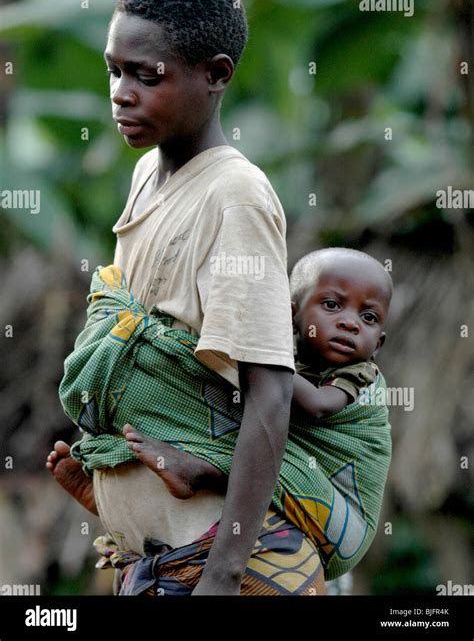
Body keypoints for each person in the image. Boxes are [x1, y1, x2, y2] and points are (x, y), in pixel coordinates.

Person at [47, 0, 326, 596]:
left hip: (209, 566)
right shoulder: (148, 171)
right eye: (114, 70)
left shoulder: (235, 196)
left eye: (148, 75)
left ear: (217, 74)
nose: (121, 92)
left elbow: (270, 394)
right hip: (149, 566)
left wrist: (224, 576)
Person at [51, 246, 392, 584]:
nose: (350, 323)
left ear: (378, 344)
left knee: (262, 444)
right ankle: (113, 498)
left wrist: (253, 356)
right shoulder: (287, 352)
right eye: (332, 305)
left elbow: (317, 406)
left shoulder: (360, 375)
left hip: (342, 523)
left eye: (369, 317)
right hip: (305, 493)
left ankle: (201, 473)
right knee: (233, 422)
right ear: (290, 316)